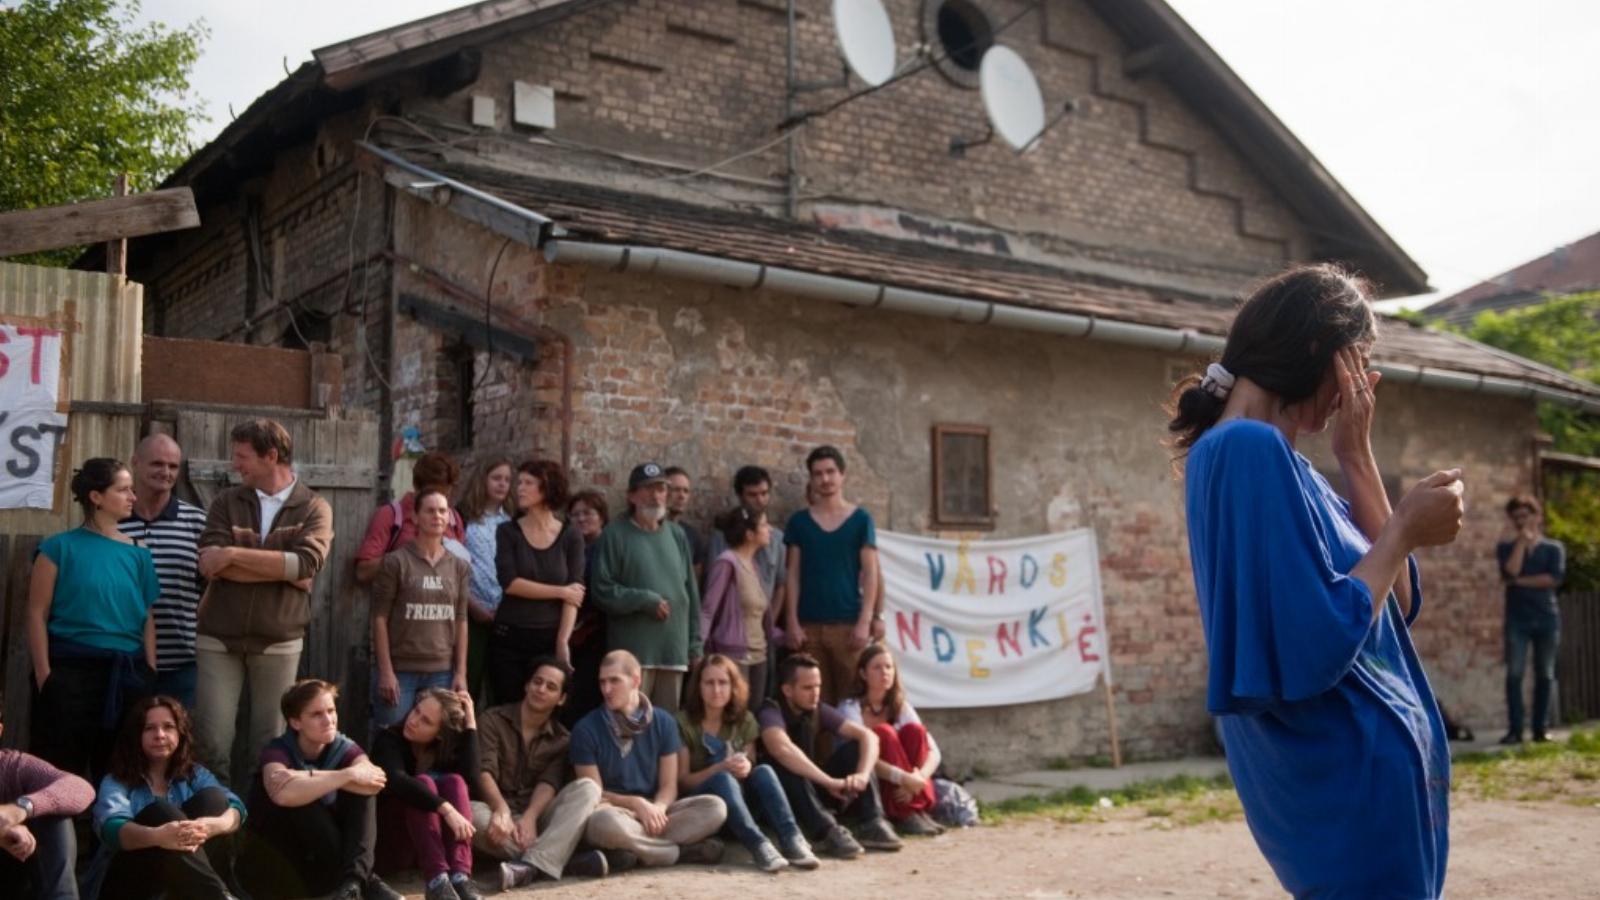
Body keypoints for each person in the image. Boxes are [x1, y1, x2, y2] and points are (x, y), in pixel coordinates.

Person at [1169, 263, 1464, 899]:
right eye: (1353, 362)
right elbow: (1318, 639)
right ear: (1314, 351)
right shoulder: (1248, 451)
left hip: (1366, 779)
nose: (1355, 386)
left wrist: (1356, 456)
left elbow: (1398, 603)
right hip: (1346, 779)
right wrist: (1405, 529)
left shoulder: (1284, 463)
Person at [194, 419, 333, 787]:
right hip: (217, 638)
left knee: (269, 746)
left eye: (242, 457)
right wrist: (280, 569)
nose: (235, 465)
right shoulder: (227, 502)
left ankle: (258, 834)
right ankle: (216, 834)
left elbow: (306, 565)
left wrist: (233, 555)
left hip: (279, 639)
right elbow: (210, 564)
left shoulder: (314, 507)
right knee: (211, 744)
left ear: (271, 456)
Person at [28, 457, 160, 782]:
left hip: (126, 675)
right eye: (123, 489)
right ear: (96, 497)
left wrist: (150, 672)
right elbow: (35, 613)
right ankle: (55, 834)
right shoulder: (58, 548)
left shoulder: (139, 552)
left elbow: (147, 616)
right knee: (59, 769)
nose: (132, 497)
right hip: (70, 673)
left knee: (120, 772)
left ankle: (112, 834)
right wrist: (46, 675)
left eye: (132, 489)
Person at [238, 679, 400, 900]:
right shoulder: (277, 751)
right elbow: (283, 794)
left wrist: (307, 776)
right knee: (302, 800)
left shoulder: (344, 747)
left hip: (324, 858)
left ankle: (353, 884)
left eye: (331, 710)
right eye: (316, 714)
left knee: (363, 793)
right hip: (281, 861)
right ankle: (365, 882)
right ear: (295, 722)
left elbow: (375, 781)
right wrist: (347, 775)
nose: (328, 720)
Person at [572, 650, 727, 868]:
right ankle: (676, 853)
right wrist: (636, 804)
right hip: (613, 812)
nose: (606, 689)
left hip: (655, 813)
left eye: (614, 681)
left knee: (715, 807)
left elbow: (669, 785)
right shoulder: (585, 729)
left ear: (636, 680)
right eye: (602, 682)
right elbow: (593, 795)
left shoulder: (663, 722)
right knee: (601, 824)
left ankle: (634, 851)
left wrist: (659, 808)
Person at [471, 660, 612, 890]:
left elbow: (550, 782)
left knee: (588, 788)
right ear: (526, 686)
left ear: (561, 699)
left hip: (540, 818)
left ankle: (530, 865)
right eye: (537, 682)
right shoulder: (492, 719)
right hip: (497, 810)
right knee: (470, 815)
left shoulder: (562, 739)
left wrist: (530, 817)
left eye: (551, 686)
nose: (541, 689)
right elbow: (484, 771)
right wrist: (501, 809)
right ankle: (563, 861)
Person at [88, 696, 245, 900]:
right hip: (131, 883)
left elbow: (236, 806)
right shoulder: (117, 780)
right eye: (149, 728)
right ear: (136, 736)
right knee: (162, 812)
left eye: (168, 727)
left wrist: (215, 825)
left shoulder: (194, 774)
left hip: (182, 886)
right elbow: (111, 828)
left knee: (213, 799)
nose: (160, 735)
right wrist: (158, 836)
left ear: (180, 733)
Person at [675, 655, 819, 873]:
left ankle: (792, 839)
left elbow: (749, 762)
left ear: (733, 686)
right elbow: (683, 782)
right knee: (723, 778)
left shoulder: (745, 720)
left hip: (744, 806)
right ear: (698, 686)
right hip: (708, 811)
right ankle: (759, 845)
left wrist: (745, 766)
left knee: (764, 771)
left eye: (723, 682)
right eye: (709, 683)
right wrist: (719, 768)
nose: (716, 690)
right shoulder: (683, 722)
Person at [757, 653, 901, 857]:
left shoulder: (818, 709)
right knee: (789, 766)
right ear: (787, 690)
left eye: (818, 686)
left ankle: (873, 822)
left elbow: (868, 737)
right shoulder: (770, 711)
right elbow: (781, 749)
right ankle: (827, 831)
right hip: (780, 796)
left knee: (854, 748)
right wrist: (828, 781)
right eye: (807, 688)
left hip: (815, 788)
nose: (815, 693)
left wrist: (862, 774)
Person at [593, 463, 702, 712]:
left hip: (673, 653)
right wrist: (643, 600)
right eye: (647, 489)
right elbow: (602, 589)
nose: (655, 495)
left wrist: (695, 645)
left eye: (661, 488)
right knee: (627, 723)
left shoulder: (677, 535)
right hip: (633, 655)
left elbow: (691, 594)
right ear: (631, 496)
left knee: (664, 728)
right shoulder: (614, 534)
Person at [785, 445, 882, 704]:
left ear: (843, 475)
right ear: (812, 479)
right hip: (809, 628)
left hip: (849, 627)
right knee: (813, 707)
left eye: (830, 472)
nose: (825, 479)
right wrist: (792, 621)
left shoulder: (861, 520)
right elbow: (791, 575)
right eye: (818, 474)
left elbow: (871, 573)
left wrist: (865, 621)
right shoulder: (799, 523)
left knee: (854, 702)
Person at [371, 488, 473, 731]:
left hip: (442, 671)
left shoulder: (459, 566)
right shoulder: (395, 562)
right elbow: (379, 618)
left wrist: (460, 672)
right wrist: (385, 670)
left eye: (442, 511)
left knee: (435, 741)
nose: (437, 516)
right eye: (429, 510)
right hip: (400, 670)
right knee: (391, 738)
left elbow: (461, 620)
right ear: (415, 517)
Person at [119, 434, 208, 707]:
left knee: (179, 742)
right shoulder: (113, 520)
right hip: (125, 657)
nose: (166, 472)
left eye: (173, 466)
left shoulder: (197, 522)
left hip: (183, 662)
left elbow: (212, 589)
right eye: (157, 463)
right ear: (135, 463)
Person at [370, 689, 483, 900]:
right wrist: (446, 808)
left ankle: (460, 876)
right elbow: (397, 780)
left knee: (455, 782)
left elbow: (472, 782)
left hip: (426, 846)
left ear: (439, 734)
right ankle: (436, 880)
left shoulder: (442, 749)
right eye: (416, 711)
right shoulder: (388, 740)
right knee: (422, 784)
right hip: (391, 845)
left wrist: (471, 724)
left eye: (426, 721)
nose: (413, 720)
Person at [490, 460, 583, 707]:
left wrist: (563, 641)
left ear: (547, 487)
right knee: (507, 709)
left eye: (527, 483)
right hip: (509, 636)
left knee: (546, 710)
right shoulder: (507, 532)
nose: (519, 488)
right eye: (519, 482)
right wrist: (560, 591)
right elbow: (510, 583)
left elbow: (576, 593)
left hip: (549, 638)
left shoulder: (570, 535)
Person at [838, 644, 944, 835]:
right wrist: (903, 778)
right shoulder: (850, 707)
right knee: (884, 733)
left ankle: (914, 809)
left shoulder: (900, 705)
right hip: (869, 779)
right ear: (863, 674)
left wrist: (917, 780)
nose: (884, 672)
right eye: (877, 667)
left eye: (888, 667)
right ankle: (904, 813)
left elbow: (932, 750)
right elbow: (862, 758)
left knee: (914, 731)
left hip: (907, 784)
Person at [0, 690, 95, 900]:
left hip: (15, 877)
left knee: (54, 810)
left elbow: (79, 788)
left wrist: (20, 809)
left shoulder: (11, 765)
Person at [708, 466, 788, 696]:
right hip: (731, 637)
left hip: (762, 635)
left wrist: (770, 624)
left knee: (761, 699)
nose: (759, 500)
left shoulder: (777, 539)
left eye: (764, 493)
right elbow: (712, 595)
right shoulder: (722, 538)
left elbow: (781, 584)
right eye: (753, 495)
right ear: (741, 496)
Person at [1497, 494, 1566, 744]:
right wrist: (1521, 545)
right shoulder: (1506, 548)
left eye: (1525, 516)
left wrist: (1519, 583)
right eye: (1516, 518)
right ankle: (1515, 730)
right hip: (1518, 620)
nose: (1520, 522)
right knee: (1514, 674)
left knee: (1545, 674)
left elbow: (1553, 579)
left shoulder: (1553, 548)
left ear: (1536, 517)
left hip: (1547, 618)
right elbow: (1510, 572)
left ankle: (1540, 729)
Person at [355, 451, 466, 584]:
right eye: (430, 495)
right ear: (415, 485)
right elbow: (363, 572)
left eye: (444, 496)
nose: (437, 503)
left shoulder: (453, 517)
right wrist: (408, 555)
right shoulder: (392, 515)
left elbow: (463, 573)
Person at [456, 456, 515, 704]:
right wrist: (472, 605)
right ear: (483, 480)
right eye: (496, 478)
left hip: (505, 611)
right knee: (469, 681)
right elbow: (453, 565)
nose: (502, 485)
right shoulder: (463, 517)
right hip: (471, 610)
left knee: (501, 683)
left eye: (507, 480)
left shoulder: (511, 521)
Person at [701, 506, 778, 694]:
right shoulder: (727, 563)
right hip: (734, 655)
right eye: (764, 525)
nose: (771, 529)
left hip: (759, 655)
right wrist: (698, 649)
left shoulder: (753, 565)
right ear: (750, 534)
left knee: (753, 714)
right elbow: (708, 609)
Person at [564, 490, 611, 726]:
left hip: (601, 634)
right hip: (573, 636)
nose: (581, 519)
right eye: (575, 514)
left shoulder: (609, 548)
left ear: (601, 516)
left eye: (588, 513)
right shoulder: (570, 550)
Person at [663, 467, 708, 583]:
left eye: (686, 491)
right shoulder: (648, 529)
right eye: (676, 490)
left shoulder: (692, 535)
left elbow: (694, 581)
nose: (681, 496)